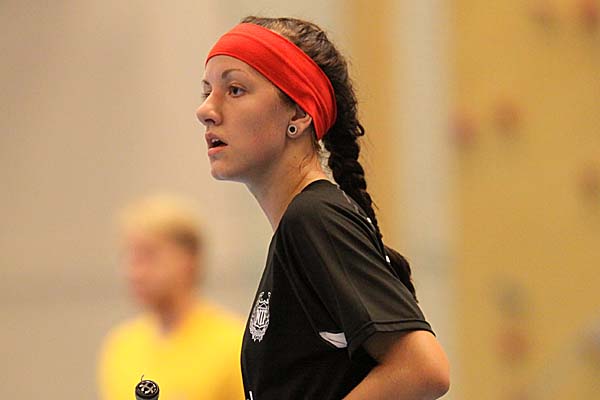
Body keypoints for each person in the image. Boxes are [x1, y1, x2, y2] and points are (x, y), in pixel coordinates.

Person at [195, 16, 450, 400]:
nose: (206, 110)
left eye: (235, 90)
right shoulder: (300, 227)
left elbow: (423, 369)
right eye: (207, 91)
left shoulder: (314, 219)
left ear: (298, 115)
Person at [97, 195, 244, 400]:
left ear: (189, 260)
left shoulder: (233, 346)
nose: (134, 272)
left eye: (148, 255)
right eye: (129, 256)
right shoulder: (121, 347)